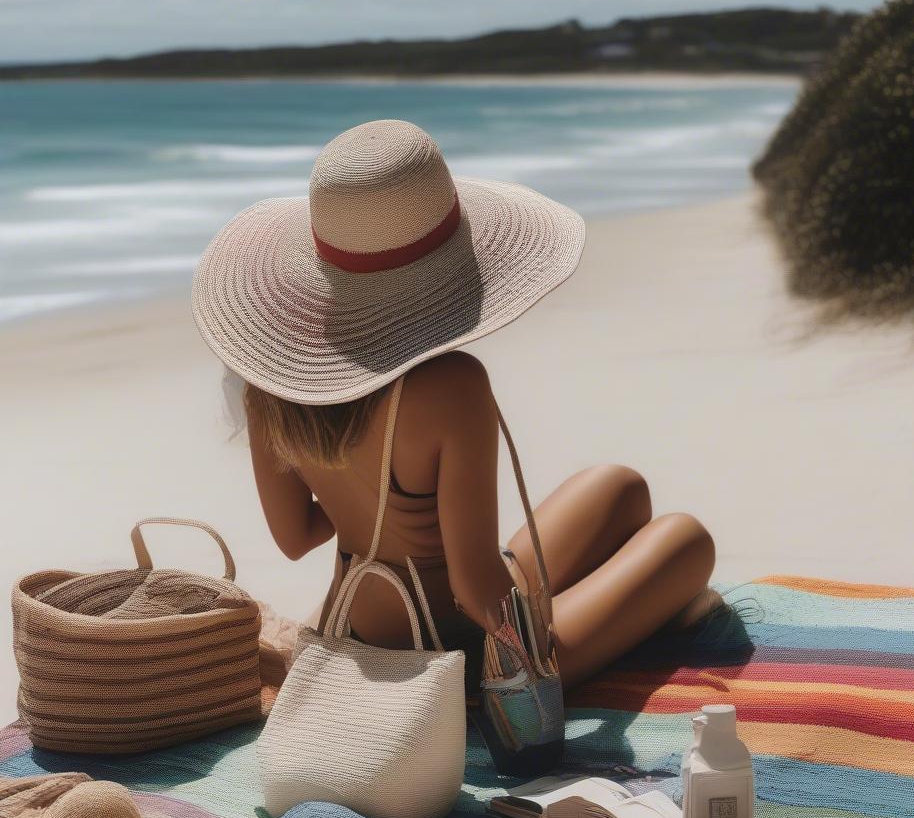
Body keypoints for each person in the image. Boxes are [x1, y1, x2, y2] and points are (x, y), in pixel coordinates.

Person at [194, 119, 716, 693]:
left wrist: (361, 490)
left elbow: (295, 538)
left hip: (360, 624)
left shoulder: (271, 387)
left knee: (618, 485)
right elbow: (475, 590)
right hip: (454, 651)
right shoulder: (453, 387)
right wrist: (527, 670)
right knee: (686, 538)